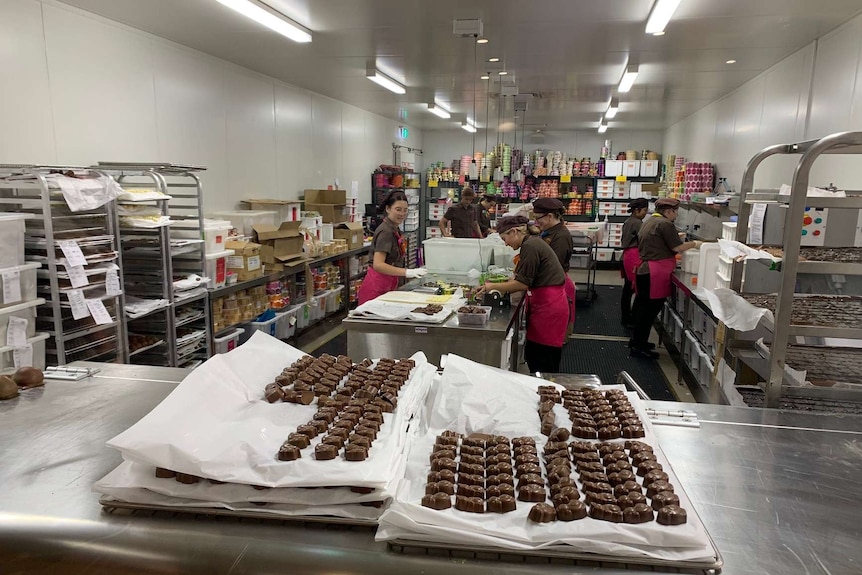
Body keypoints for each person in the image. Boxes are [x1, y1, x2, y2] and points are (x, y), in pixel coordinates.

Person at [477, 215, 568, 374]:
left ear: (514, 231)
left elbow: (522, 284)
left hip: (549, 307)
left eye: (505, 238)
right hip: (546, 303)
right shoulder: (532, 242)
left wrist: (491, 286)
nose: (505, 243)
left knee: (543, 359)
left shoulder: (530, 246)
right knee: (537, 356)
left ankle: (548, 391)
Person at [630, 198, 702, 359]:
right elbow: (677, 247)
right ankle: (639, 346)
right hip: (654, 272)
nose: (676, 215)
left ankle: (637, 341)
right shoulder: (665, 224)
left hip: (645, 270)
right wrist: (696, 244)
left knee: (642, 308)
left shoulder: (651, 220)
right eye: (675, 212)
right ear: (669, 211)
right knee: (649, 311)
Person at [357, 191, 427, 304]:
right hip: (376, 290)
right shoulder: (386, 231)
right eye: (398, 209)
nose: (402, 214)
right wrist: (407, 272)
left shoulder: (395, 229)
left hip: (389, 285)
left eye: (405, 210)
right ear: (388, 209)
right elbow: (378, 264)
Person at [532, 198, 576, 333]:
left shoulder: (561, 236)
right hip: (550, 284)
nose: (536, 222)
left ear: (550, 216)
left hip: (557, 286)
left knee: (554, 334)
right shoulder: (549, 231)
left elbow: (553, 266)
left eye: (538, 218)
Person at [619, 198, 650, 328]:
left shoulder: (628, 221)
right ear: (637, 210)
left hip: (627, 255)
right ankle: (629, 318)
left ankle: (626, 317)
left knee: (627, 288)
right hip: (634, 256)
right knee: (633, 288)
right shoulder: (637, 223)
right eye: (644, 210)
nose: (645, 213)